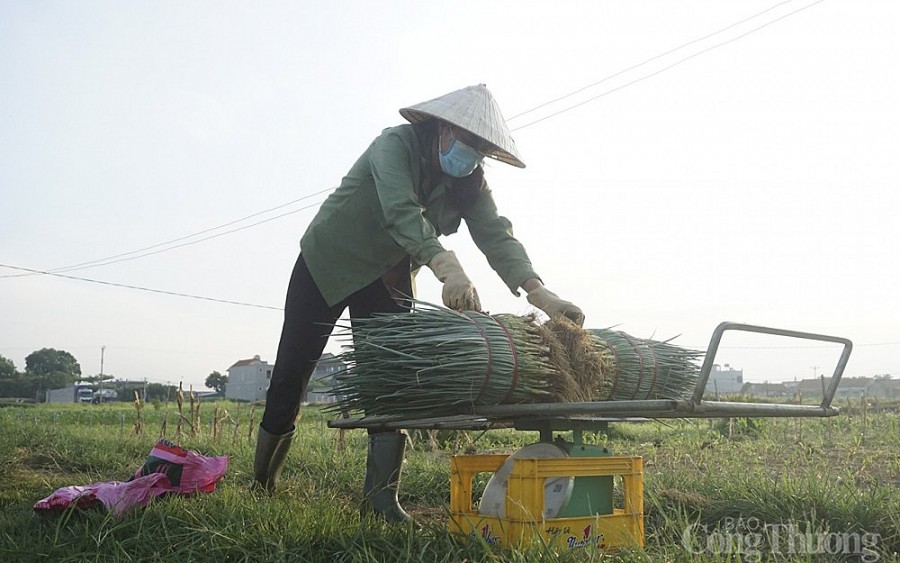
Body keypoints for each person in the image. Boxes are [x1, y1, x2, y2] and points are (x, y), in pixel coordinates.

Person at [253, 84, 584, 522]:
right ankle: (263, 482)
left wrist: (538, 290)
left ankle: (381, 501)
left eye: (480, 152)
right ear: (443, 129)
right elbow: (400, 211)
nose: (471, 157)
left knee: (392, 383)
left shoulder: (470, 182)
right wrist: (445, 266)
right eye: (468, 145)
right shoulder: (395, 145)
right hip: (328, 262)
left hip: (387, 276)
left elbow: (496, 234)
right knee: (292, 373)